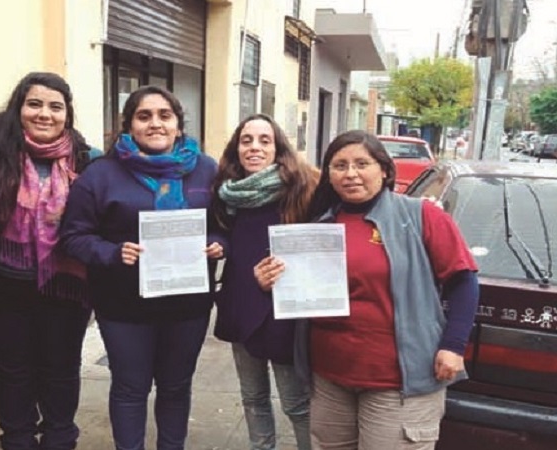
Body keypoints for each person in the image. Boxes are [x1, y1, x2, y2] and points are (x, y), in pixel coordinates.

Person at [255, 130, 479, 450]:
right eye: (339, 165)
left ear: (384, 170)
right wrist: (270, 283)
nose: (351, 174)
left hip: (398, 382)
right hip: (330, 377)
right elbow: (302, 295)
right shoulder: (320, 226)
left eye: (362, 163)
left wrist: (454, 346)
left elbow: (463, 281)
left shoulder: (420, 216)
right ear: (329, 175)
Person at [60, 85, 224, 450]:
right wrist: (113, 252)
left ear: (178, 125)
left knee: (176, 387)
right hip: (124, 306)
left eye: (164, 116)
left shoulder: (205, 169)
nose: (155, 124)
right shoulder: (101, 175)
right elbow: (73, 237)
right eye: (144, 116)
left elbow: (225, 224)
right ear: (129, 125)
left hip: (187, 303)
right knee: (130, 388)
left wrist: (218, 244)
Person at [0, 72, 99, 450]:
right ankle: (18, 440)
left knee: (61, 370)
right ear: (18, 106)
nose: (45, 114)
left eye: (55, 106)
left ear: (67, 114)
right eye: (34, 103)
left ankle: (59, 439)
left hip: (65, 287)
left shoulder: (88, 158)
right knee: (12, 373)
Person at [211, 114, 317, 450]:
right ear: (236, 147)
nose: (254, 147)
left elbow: (323, 247)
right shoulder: (227, 192)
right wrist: (219, 245)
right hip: (240, 304)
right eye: (246, 140)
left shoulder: (303, 188)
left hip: (284, 312)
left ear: (277, 148)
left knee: (296, 403)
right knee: (253, 397)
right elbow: (222, 234)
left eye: (264, 140)